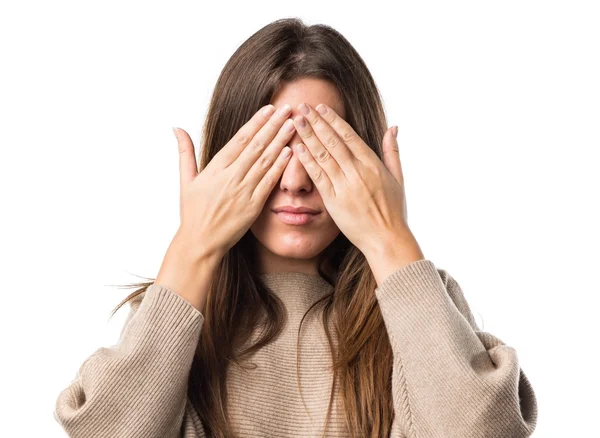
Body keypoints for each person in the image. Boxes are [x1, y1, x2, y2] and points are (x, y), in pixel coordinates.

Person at [53, 18, 538, 438]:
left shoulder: (419, 305)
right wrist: (193, 247)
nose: (296, 181)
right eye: (269, 149)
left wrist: (391, 240)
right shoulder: (175, 311)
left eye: (321, 148)